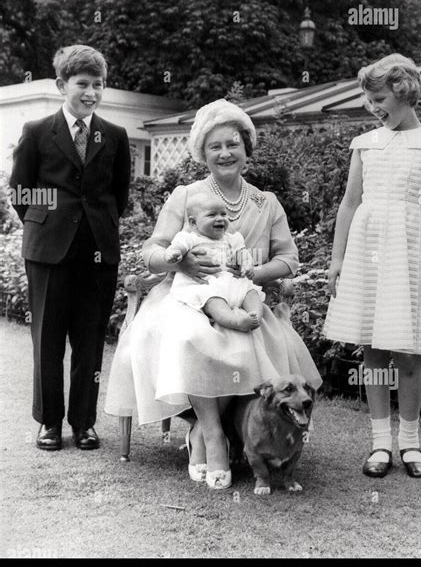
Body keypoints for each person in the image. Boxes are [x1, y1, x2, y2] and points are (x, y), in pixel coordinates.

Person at [105, 98, 321, 489]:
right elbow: (151, 250)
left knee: (250, 336)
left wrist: (256, 271)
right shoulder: (185, 196)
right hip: (184, 297)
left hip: (242, 295)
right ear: (202, 153)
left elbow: (289, 259)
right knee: (193, 336)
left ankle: (232, 432)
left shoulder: (264, 202)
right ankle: (211, 434)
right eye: (215, 145)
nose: (225, 152)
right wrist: (179, 263)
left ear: (246, 148)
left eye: (233, 143)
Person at [324, 54, 421, 479]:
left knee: (409, 350)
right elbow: (349, 203)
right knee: (374, 348)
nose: (373, 107)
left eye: (379, 98)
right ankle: (380, 442)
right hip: (369, 248)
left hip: (414, 248)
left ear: (404, 92)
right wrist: (337, 259)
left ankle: (411, 442)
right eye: (368, 101)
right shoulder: (365, 144)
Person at [10, 44, 131, 451]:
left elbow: (119, 195)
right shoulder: (37, 131)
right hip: (47, 251)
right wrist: (58, 210)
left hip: (98, 252)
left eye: (98, 84)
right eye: (83, 84)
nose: (91, 92)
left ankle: (84, 422)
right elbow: (22, 193)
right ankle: (49, 422)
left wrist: (94, 220)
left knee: (91, 337)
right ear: (63, 85)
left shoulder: (115, 135)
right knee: (47, 338)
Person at [166, 193, 264, 332]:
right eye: (212, 215)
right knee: (213, 300)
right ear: (193, 222)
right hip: (204, 284)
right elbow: (179, 246)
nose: (220, 219)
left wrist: (246, 264)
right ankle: (235, 321)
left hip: (231, 282)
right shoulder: (190, 238)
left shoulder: (231, 238)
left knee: (251, 292)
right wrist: (174, 252)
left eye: (223, 214)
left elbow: (242, 252)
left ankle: (255, 317)